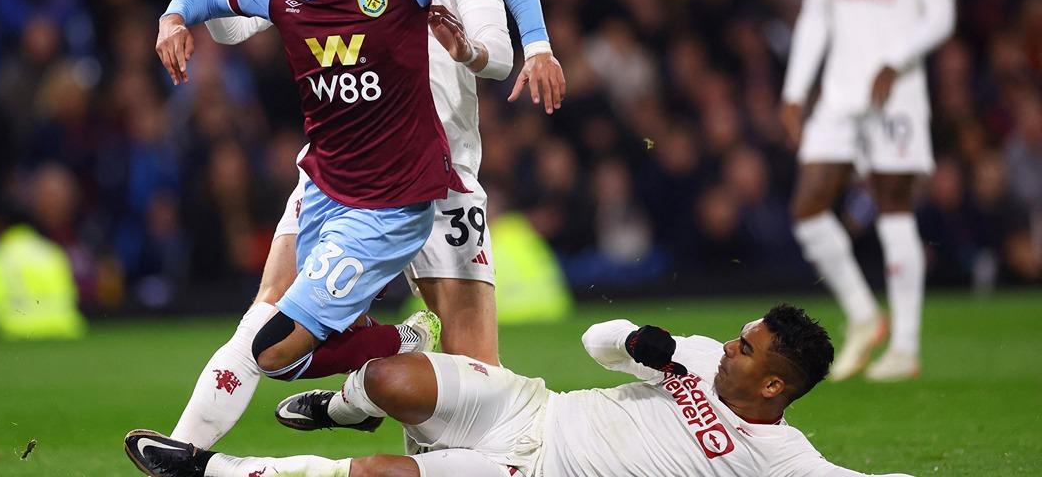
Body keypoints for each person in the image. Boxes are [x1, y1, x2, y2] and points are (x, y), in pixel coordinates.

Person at [162, 0, 564, 452]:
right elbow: (240, 23)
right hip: (340, 168)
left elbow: (498, 57)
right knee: (269, 314)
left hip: (441, 176)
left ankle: (366, 407)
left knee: (473, 383)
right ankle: (184, 451)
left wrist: (469, 49)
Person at [125, 304, 914, 477]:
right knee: (391, 379)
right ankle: (341, 409)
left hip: (534, 473)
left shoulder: (780, 455)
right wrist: (646, 343)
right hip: (533, 405)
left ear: (774, 384)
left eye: (746, 349)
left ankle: (208, 472)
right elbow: (597, 341)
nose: (729, 348)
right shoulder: (697, 358)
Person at [780, 0, 956, 382]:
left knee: (892, 205)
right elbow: (816, 16)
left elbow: (941, 15)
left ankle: (904, 345)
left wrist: (896, 58)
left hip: (896, 94)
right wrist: (793, 90)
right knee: (807, 209)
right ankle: (863, 314)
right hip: (839, 91)